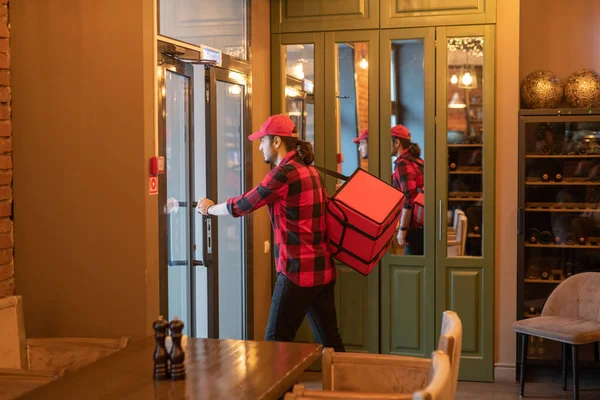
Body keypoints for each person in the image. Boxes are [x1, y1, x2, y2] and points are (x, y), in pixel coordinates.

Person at [196, 114, 345, 352]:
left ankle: (283, 392)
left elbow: (244, 204)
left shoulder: (284, 174)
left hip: (297, 273)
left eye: (262, 141)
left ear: (276, 142)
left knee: (275, 347)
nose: (260, 147)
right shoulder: (310, 171)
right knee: (331, 344)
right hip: (323, 270)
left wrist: (209, 209)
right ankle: (345, 388)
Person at [391, 124, 425, 256]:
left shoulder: (403, 163)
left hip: (414, 227)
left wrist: (402, 229)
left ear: (397, 142)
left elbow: (408, 199)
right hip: (424, 223)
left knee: (412, 269)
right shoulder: (418, 161)